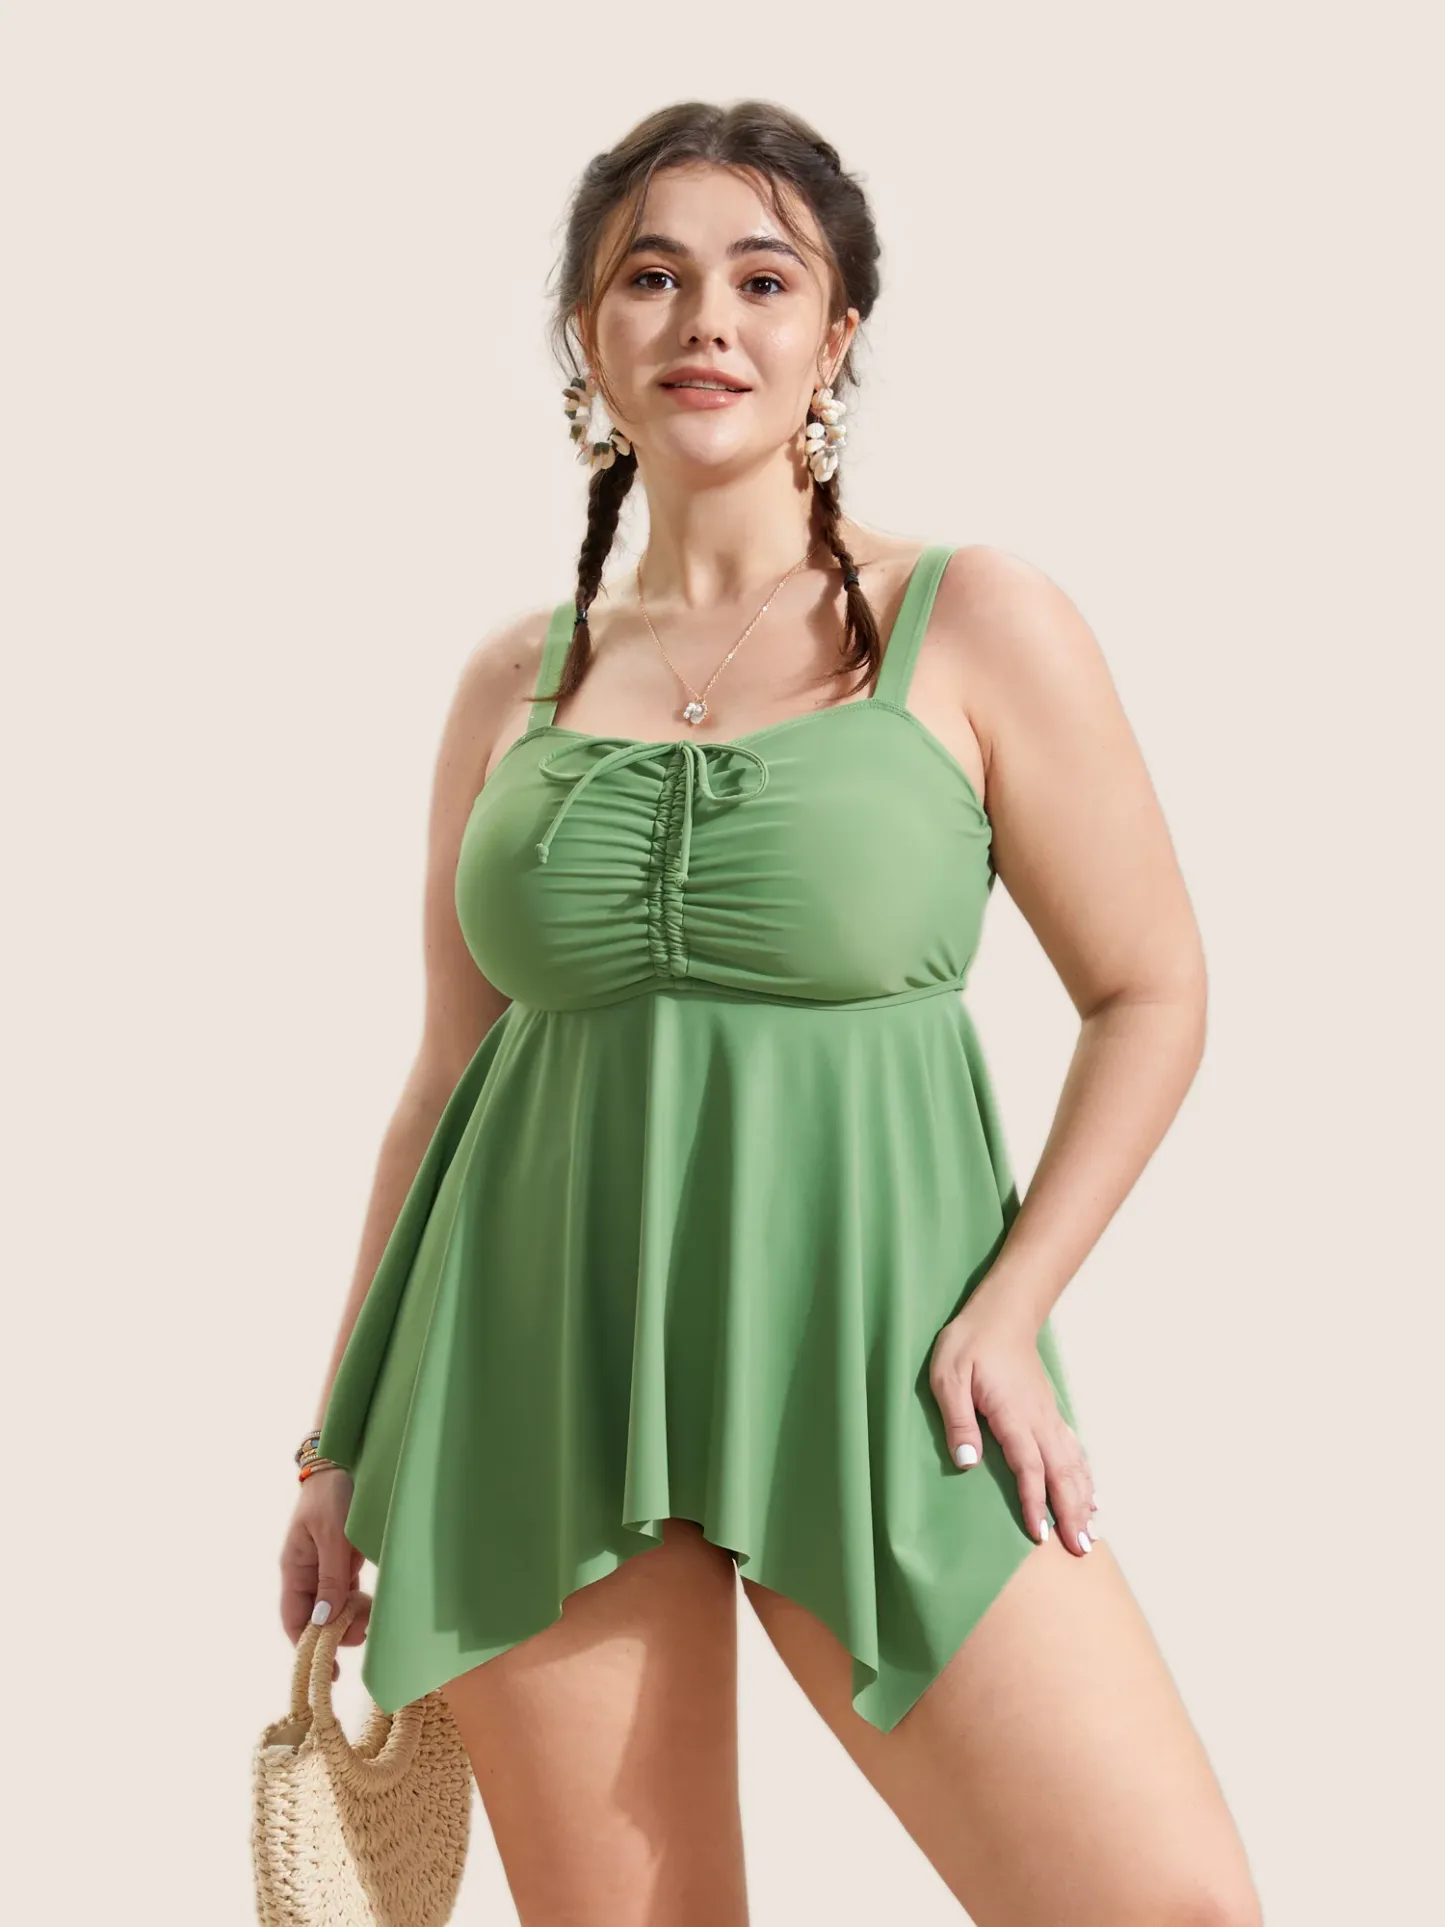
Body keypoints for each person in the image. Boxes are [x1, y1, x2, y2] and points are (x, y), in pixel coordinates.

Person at [278, 100, 1262, 1927]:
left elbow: (1153, 990)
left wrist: (1012, 1307)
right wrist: (340, 1436)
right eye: (651, 279)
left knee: (1165, 1905)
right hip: (526, 1371)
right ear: (590, 341)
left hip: (887, 1353)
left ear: (836, 335)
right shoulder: (516, 678)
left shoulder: (975, 621)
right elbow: (443, 1079)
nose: (706, 322)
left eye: (761, 278)